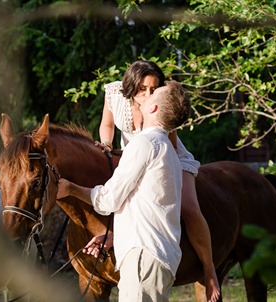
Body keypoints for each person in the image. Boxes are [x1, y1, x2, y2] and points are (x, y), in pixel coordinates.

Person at [91, 60, 220, 302]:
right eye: (142, 89)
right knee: (119, 193)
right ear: (130, 86)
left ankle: (209, 267)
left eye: (154, 88)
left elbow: (167, 151)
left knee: (190, 208)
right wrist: (107, 145)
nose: (148, 94)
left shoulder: (162, 105)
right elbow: (107, 125)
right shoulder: (114, 94)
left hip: (165, 154)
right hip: (132, 153)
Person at [57, 81, 188, 301]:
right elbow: (150, 208)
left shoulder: (144, 144)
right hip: (156, 256)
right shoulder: (167, 150)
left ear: (153, 108)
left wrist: (71, 189)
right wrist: (116, 237)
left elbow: (109, 200)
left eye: (154, 94)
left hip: (143, 260)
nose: (147, 95)